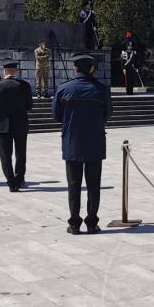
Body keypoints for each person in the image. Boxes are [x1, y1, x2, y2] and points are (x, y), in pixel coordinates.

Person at [52, 53, 112, 233]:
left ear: (75, 68)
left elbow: (56, 115)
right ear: (92, 68)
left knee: (73, 184)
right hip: (95, 142)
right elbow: (107, 115)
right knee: (94, 185)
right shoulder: (101, 90)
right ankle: (92, 222)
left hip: (72, 143)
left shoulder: (64, 89)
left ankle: (74, 223)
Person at [0, 59, 33, 192]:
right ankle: (19, 179)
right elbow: (29, 106)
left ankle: (11, 182)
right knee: (20, 153)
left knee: (5, 155)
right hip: (20, 123)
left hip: (3, 125)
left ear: (4, 71)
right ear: (16, 71)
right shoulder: (24, 85)